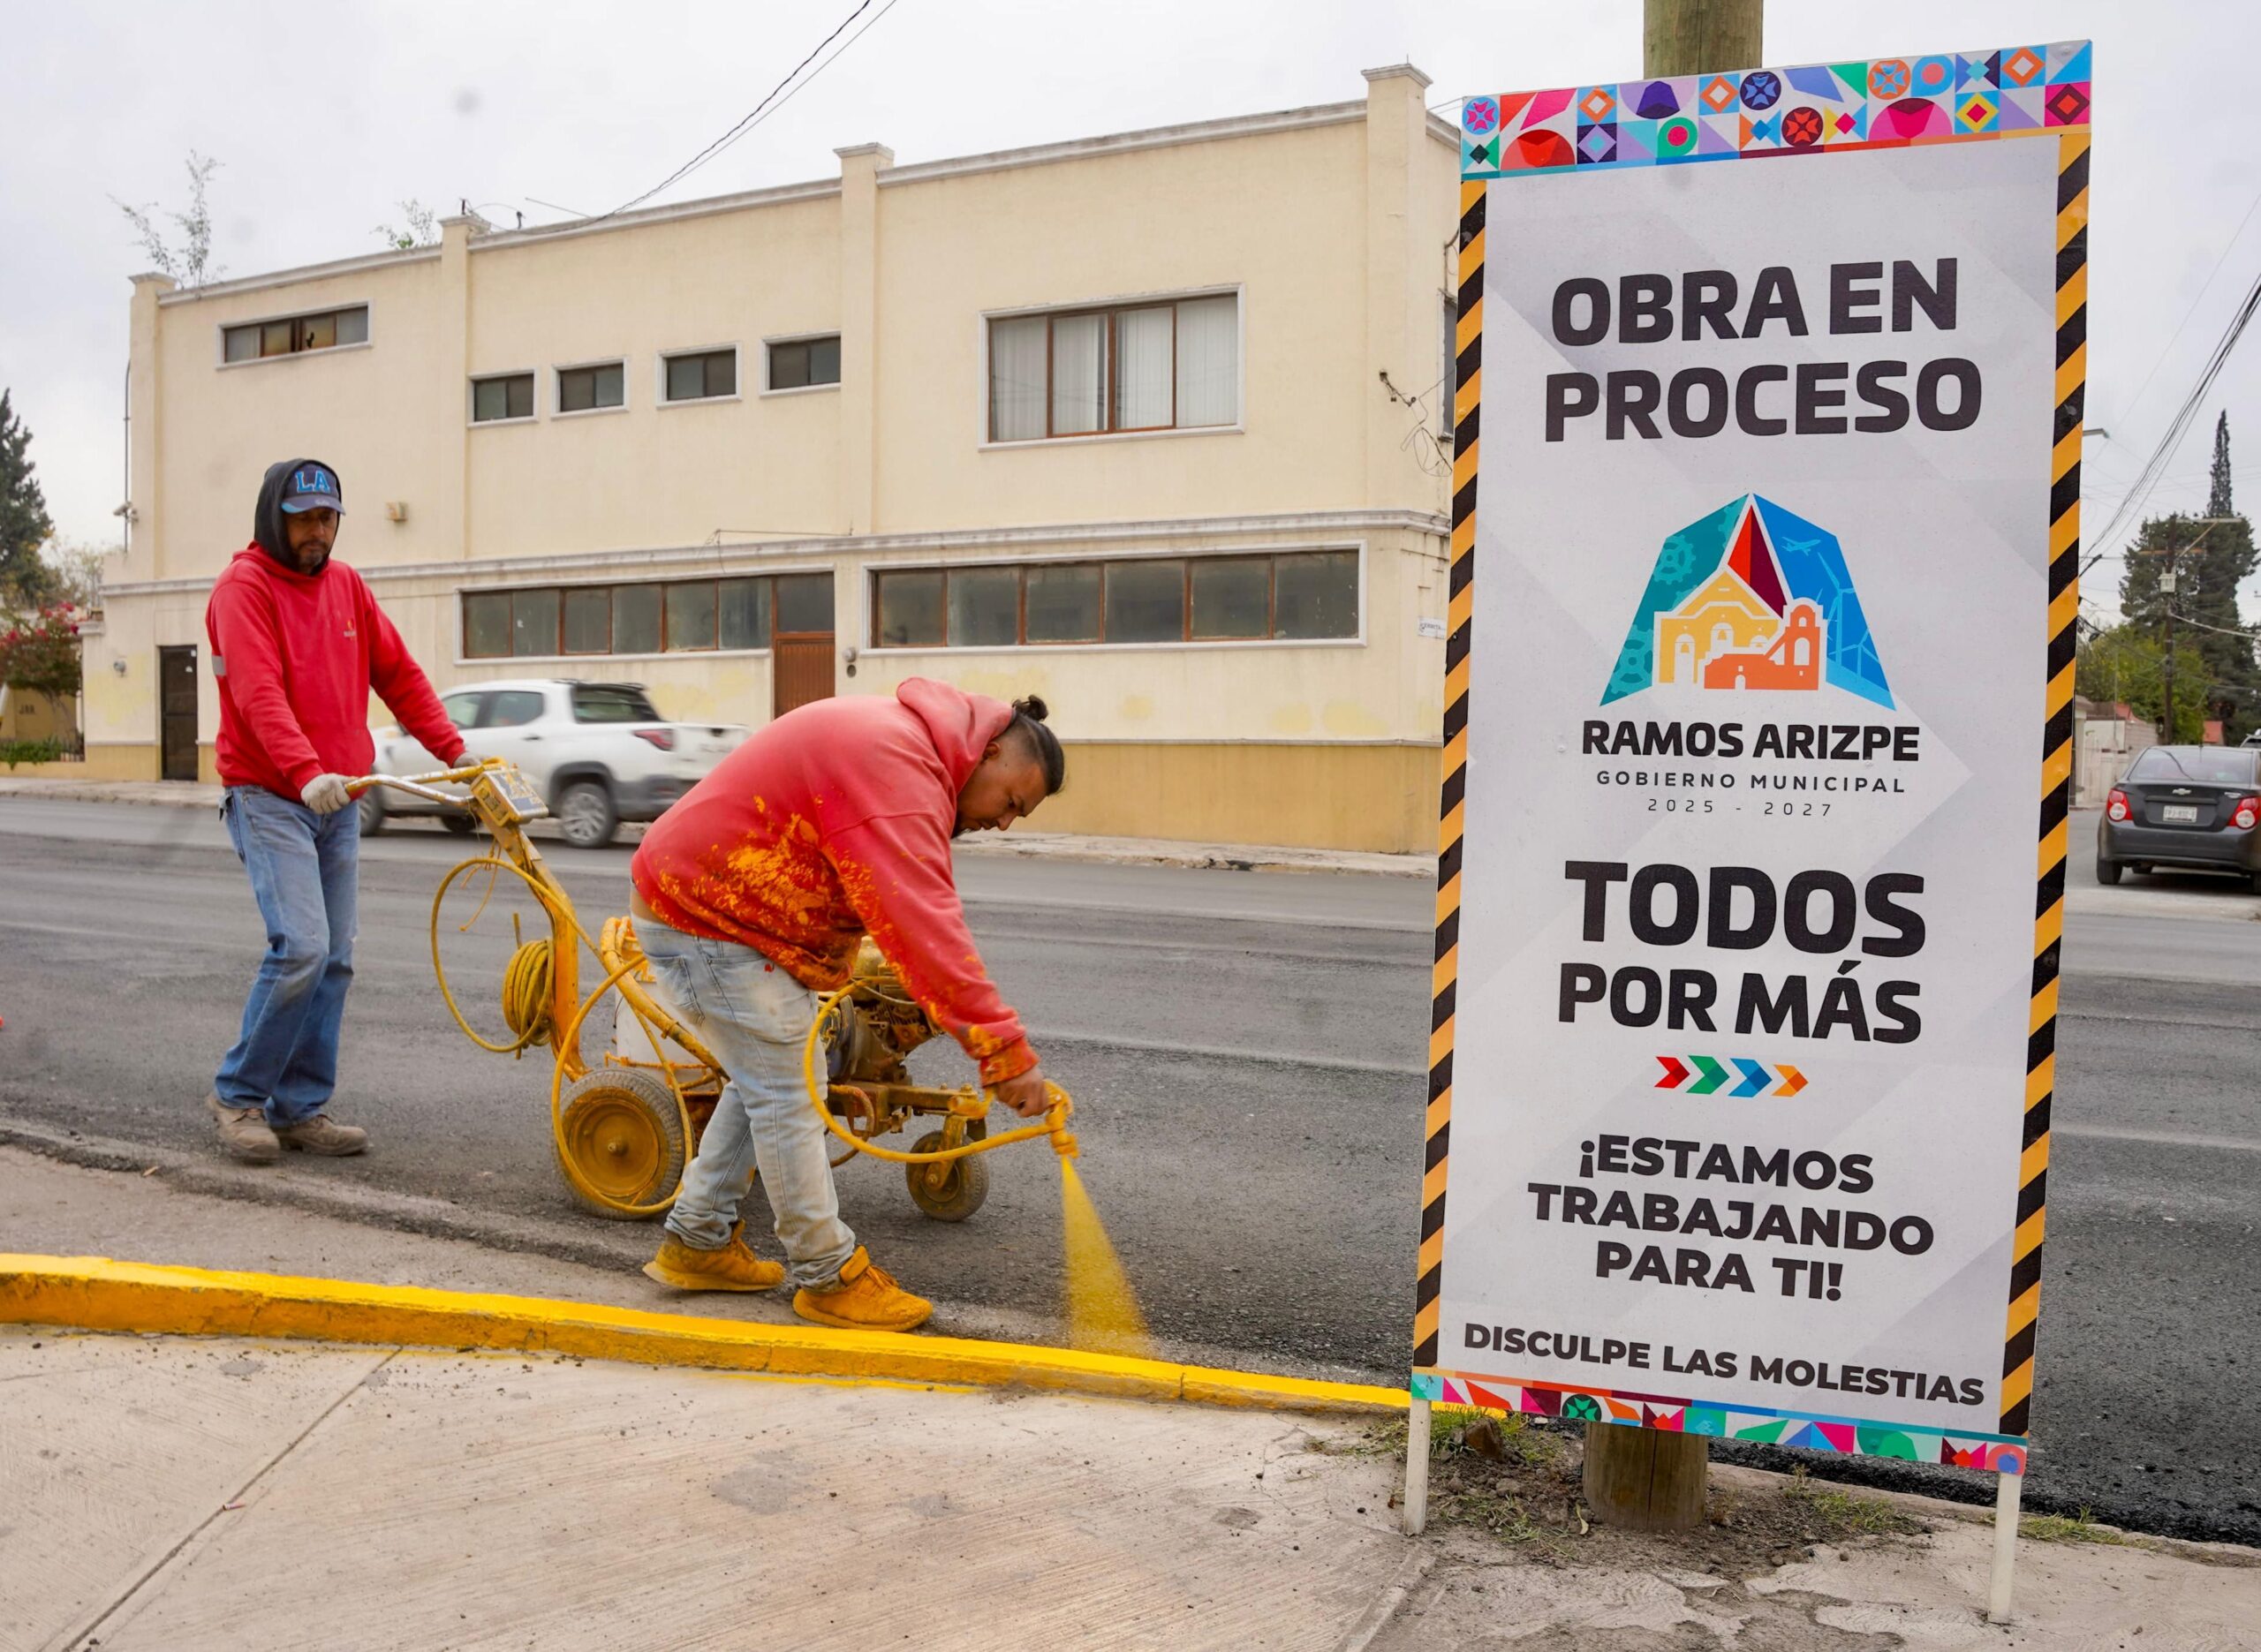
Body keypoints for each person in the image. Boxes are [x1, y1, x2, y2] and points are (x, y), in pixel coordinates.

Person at [631, 680, 1066, 1331]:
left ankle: (698, 1240)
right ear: (991, 749)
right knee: (788, 1092)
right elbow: (923, 925)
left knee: (771, 1083)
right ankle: (827, 1275)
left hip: (724, 914)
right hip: (705, 917)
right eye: (1010, 802)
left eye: (1016, 818)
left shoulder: (904, 749)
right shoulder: (897, 764)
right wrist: (1004, 1054)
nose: (1001, 822)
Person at [202, 459, 466, 1163]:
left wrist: (456, 754)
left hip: (337, 797)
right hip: (269, 794)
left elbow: (399, 674)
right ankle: (237, 1095)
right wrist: (303, 769)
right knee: (303, 947)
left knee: (336, 959)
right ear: (272, 518)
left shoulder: (347, 586)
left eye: (328, 518)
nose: (318, 532)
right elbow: (259, 696)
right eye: (303, 518)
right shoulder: (243, 589)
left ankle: (300, 1108)